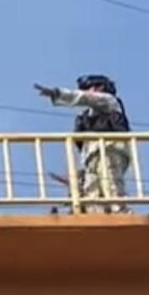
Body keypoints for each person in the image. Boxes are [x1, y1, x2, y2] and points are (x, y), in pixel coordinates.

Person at [35, 75, 131, 213]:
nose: (87, 92)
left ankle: (120, 212)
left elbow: (85, 98)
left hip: (109, 150)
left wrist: (58, 93)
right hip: (91, 156)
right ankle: (96, 216)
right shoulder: (85, 115)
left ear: (100, 88)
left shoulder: (109, 101)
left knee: (111, 183)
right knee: (91, 189)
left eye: (89, 88)